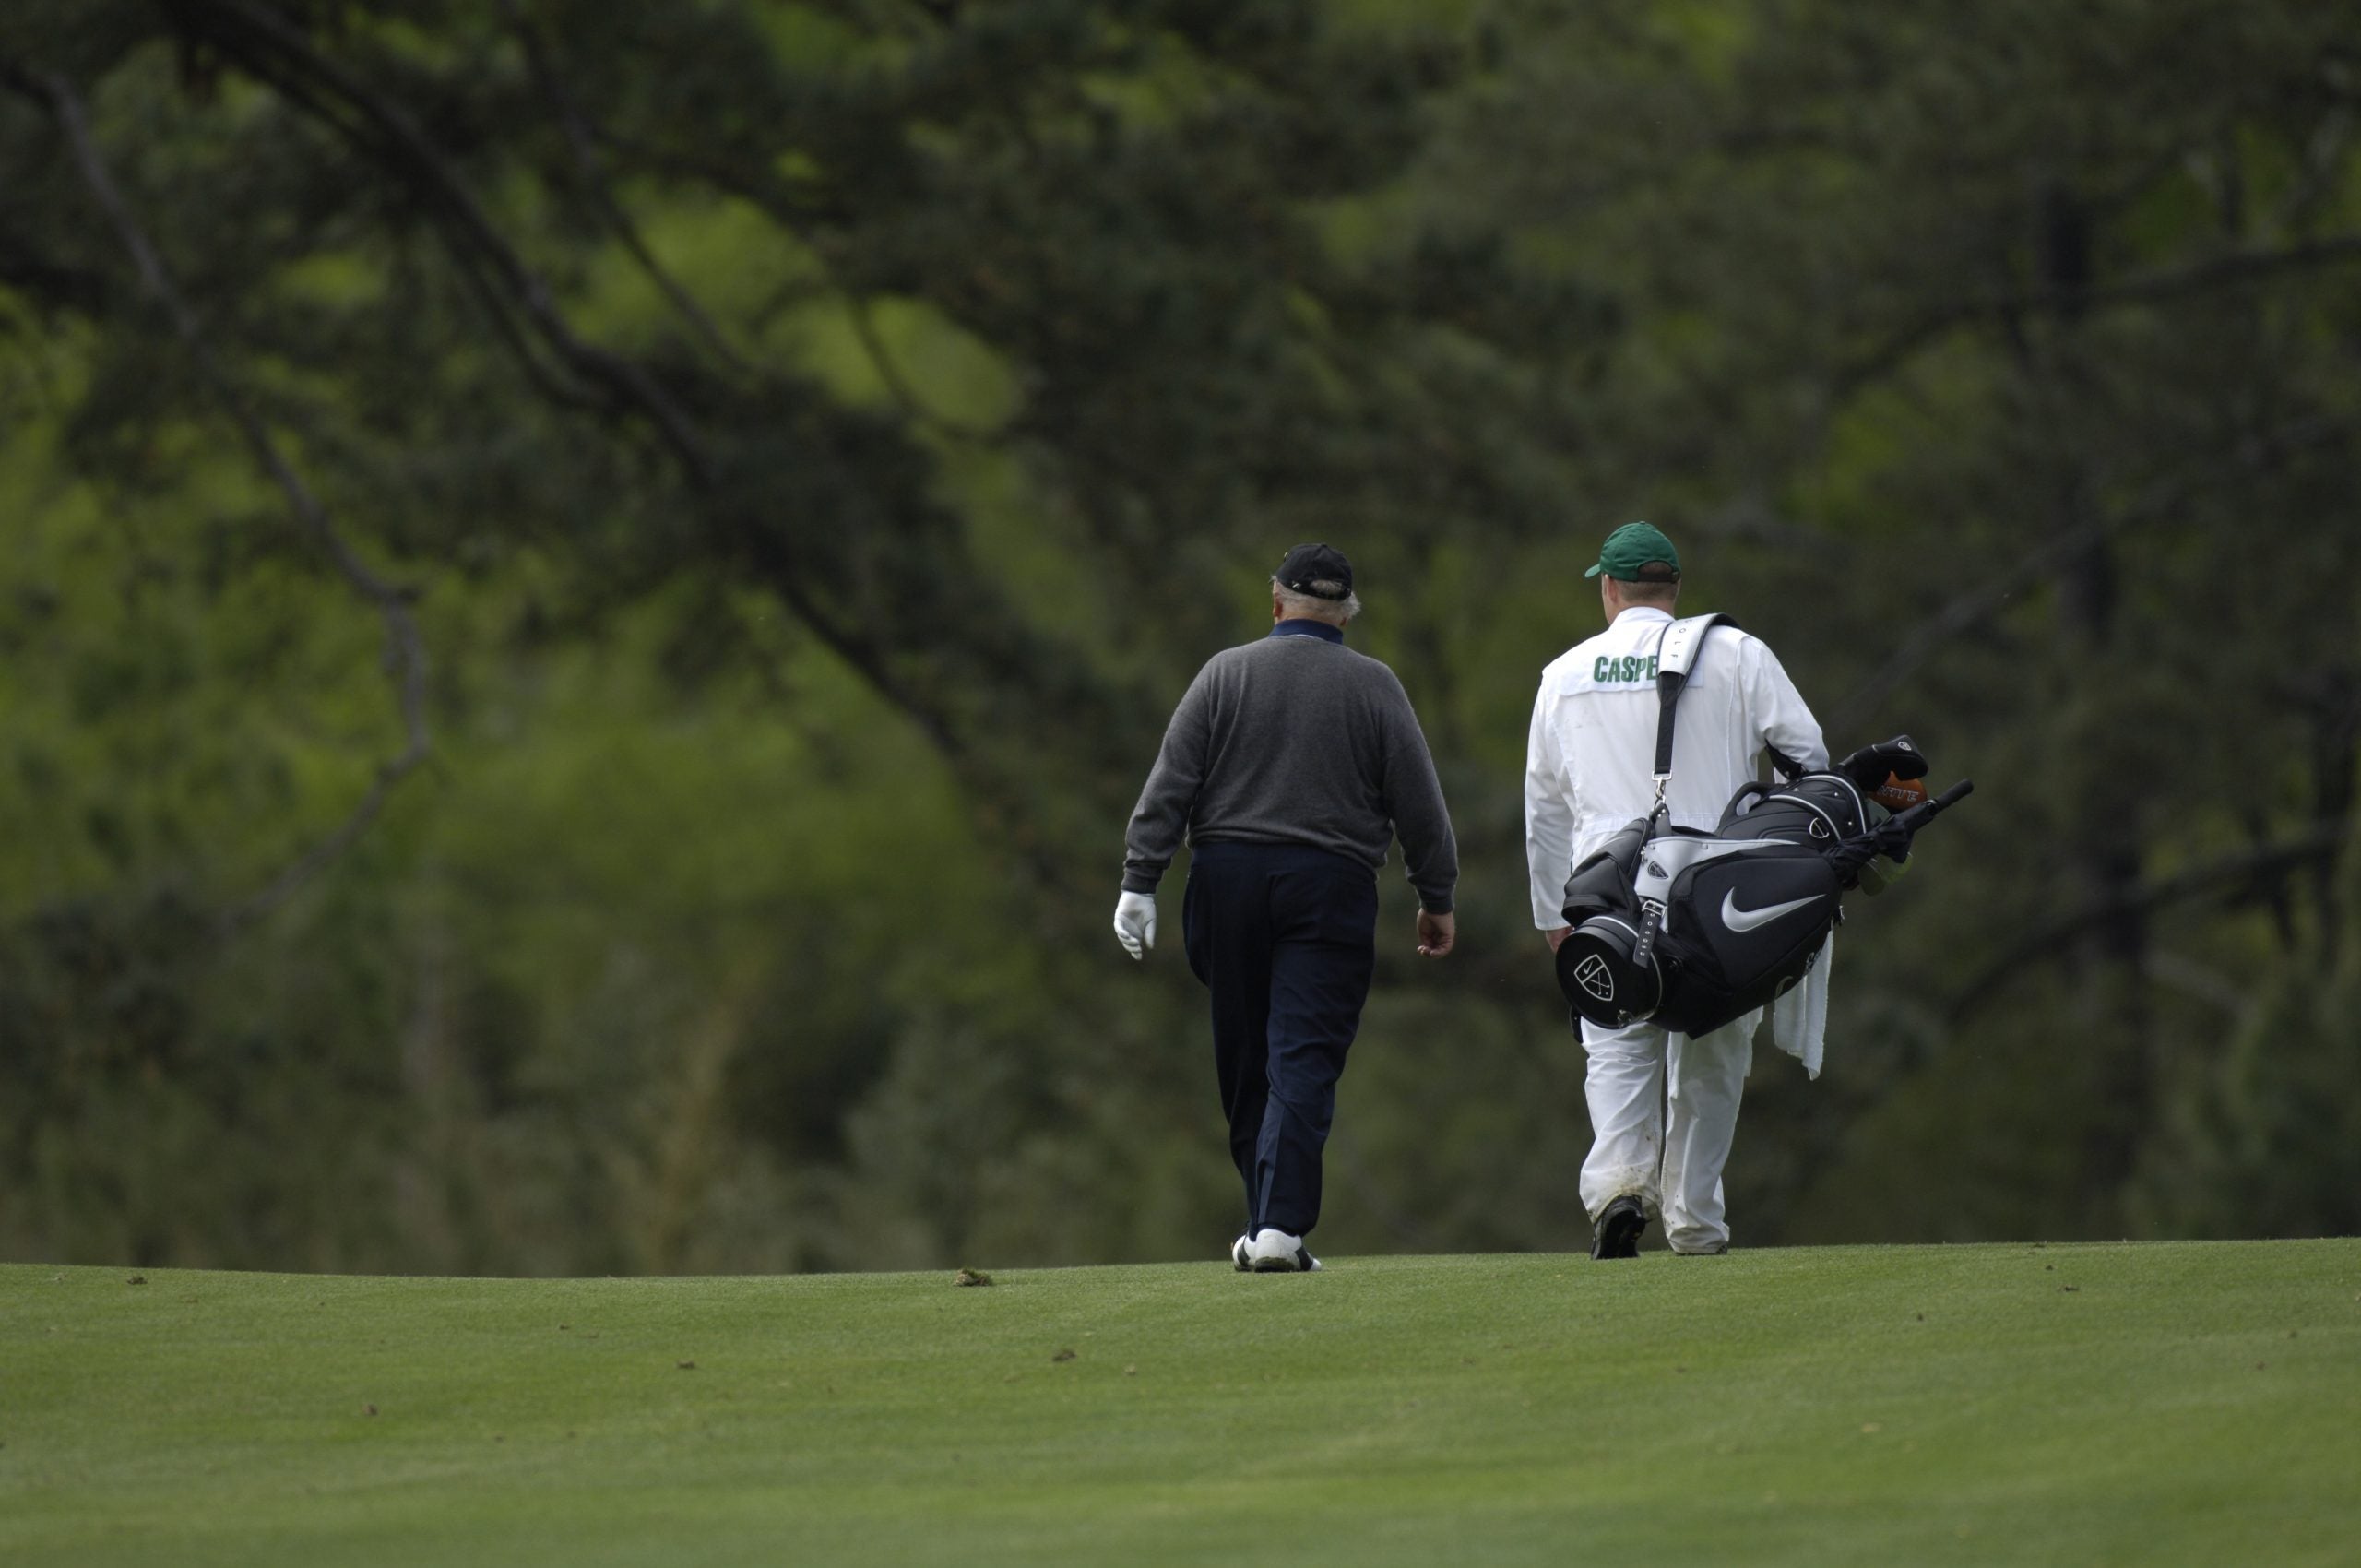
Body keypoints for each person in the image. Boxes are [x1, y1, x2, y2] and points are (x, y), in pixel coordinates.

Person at [1116, 543, 1459, 1273]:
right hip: (1328, 884)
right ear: (1346, 615)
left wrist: (1139, 880)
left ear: (1276, 603)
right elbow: (1420, 808)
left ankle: (1266, 1223)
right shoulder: (1376, 686)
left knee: (1246, 1058)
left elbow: (1170, 784)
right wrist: (1436, 895)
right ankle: (1276, 1225)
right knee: (1301, 1056)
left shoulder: (1224, 673)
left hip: (1226, 880)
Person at [1525, 521, 1826, 1259]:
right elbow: (1809, 759)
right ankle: (1695, 1221)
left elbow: (1544, 807)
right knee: (1713, 1053)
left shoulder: (1563, 675)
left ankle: (1621, 1188)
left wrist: (1550, 915)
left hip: (1609, 889)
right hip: (1715, 886)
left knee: (1619, 1046)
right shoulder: (1737, 653)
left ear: (1608, 590)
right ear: (1676, 590)